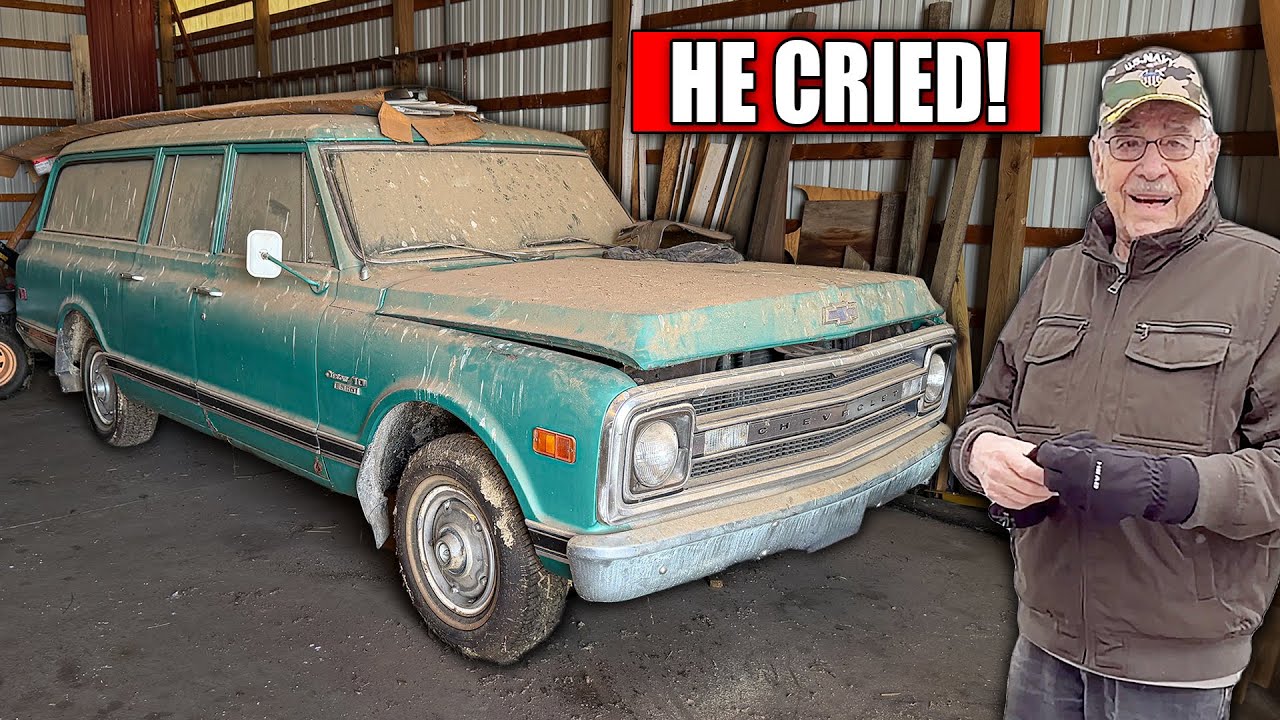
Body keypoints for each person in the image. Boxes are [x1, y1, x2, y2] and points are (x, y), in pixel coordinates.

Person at [951, 46, 1280, 719]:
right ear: (1098, 161)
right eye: (1128, 142)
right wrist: (981, 454)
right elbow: (988, 409)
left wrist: (1169, 486)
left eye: (1175, 142)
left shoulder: (1267, 281)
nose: (1150, 167)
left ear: (1210, 156)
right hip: (1044, 645)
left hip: (1175, 672)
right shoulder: (1058, 275)